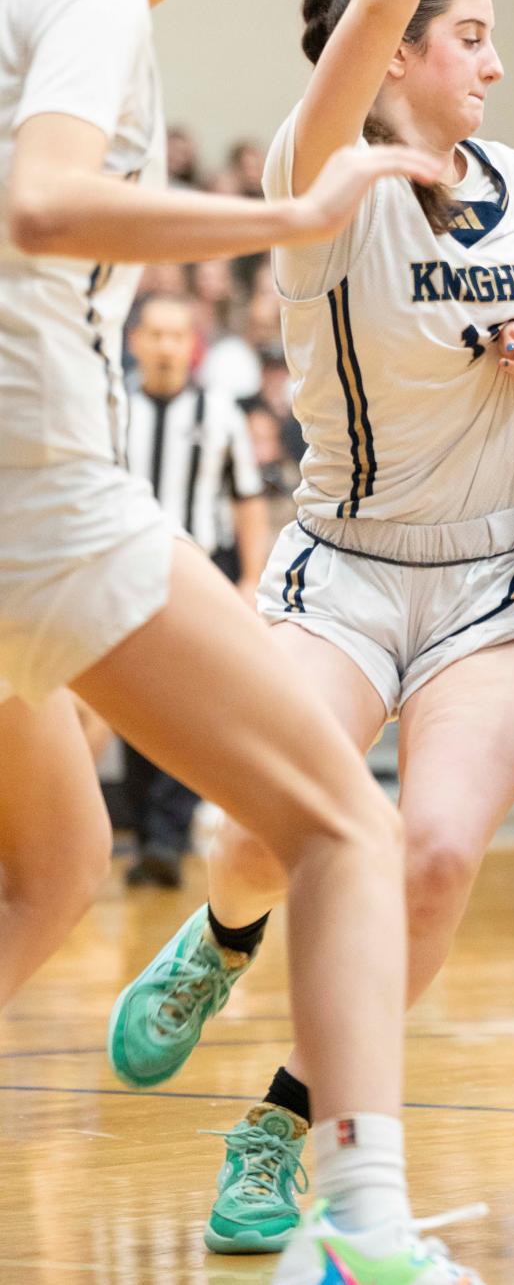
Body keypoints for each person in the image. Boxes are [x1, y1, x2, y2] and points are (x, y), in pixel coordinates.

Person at [0, 0, 485, 1283]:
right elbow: (48, 195)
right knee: (344, 817)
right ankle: (365, 1230)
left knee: (56, 868)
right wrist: (289, 205)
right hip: (31, 487)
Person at [107, 0, 514, 1261]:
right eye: (470, 36)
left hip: (498, 576)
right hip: (346, 559)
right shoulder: (320, 169)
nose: (494, 65)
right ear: (393, 60)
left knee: (427, 854)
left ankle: (284, 1118)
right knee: (265, 823)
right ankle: (223, 932)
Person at [121, 292, 268, 887]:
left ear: (192, 345)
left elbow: (247, 499)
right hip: (123, 576)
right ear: (135, 342)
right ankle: (148, 836)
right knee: (133, 714)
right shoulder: (115, 408)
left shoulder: (220, 411)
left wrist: (251, 577)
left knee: (190, 714)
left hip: (200, 574)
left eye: (175, 335)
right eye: (154, 335)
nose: (164, 346)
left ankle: (165, 838)